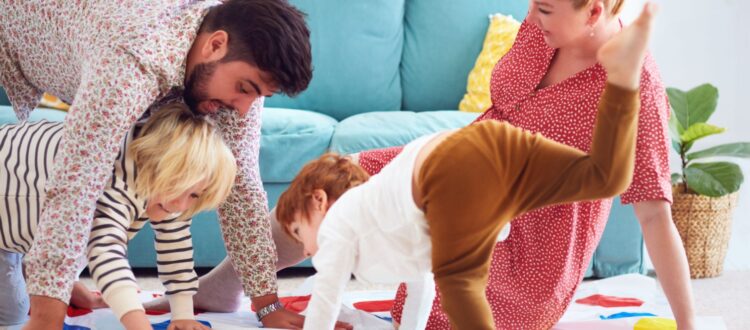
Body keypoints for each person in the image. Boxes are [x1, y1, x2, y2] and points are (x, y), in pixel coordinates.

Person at [276, 5, 657, 328]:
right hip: (492, 152)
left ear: (320, 201)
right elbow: (420, 278)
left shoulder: (337, 229)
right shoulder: (384, 228)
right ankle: (622, 83)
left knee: (459, 284)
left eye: (299, 231)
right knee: (604, 177)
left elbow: (324, 302)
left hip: (461, 172)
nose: (307, 250)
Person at [0, 0, 313, 328]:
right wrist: (48, 314)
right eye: (244, 89)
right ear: (214, 45)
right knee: (88, 188)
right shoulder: (130, 61)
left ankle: (40, 271)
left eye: (259, 96)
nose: (244, 109)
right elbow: (75, 185)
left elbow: (242, 183)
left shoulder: (235, 77)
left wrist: (267, 305)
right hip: (17, 22)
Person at [0, 104, 236, 329]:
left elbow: (176, 246)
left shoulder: (164, 187)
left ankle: (35, 267)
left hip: (33, 226)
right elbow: (107, 254)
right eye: (181, 188)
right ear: (162, 165)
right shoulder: (114, 180)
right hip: (7, 215)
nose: (181, 204)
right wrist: (140, 325)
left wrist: (183, 314)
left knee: (82, 235)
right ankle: (29, 265)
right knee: (11, 316)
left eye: (194, 195)